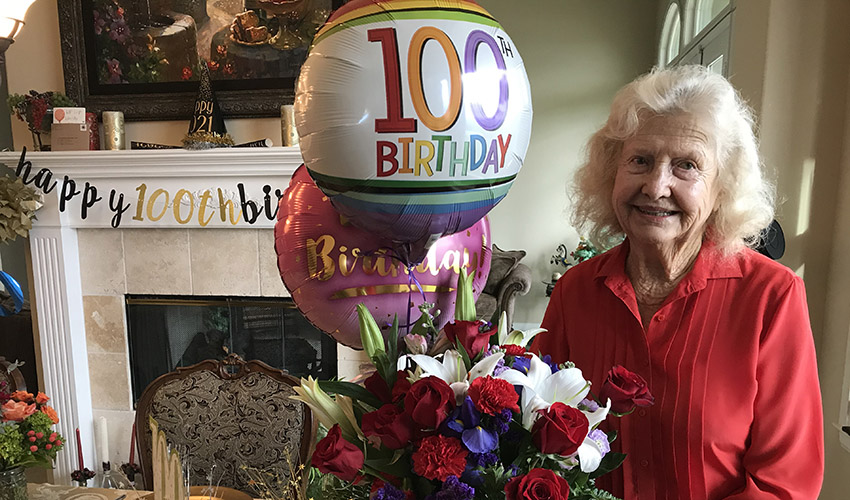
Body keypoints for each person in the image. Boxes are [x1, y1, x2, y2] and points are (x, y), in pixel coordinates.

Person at [533, 65, 823, 499]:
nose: (656, 186)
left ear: (721, 188)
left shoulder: (771, 297)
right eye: (640, 161)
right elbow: (535, 430)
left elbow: (784, 482)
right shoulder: (576, 289)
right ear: (612, 171)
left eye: (686, 166)